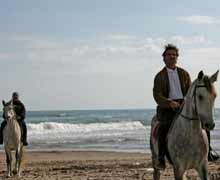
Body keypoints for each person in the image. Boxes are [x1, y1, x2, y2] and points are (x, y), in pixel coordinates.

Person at [153, 44, 218, 170]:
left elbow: (190, 91)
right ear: (164, 58)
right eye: (169, 55)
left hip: (184, 105)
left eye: (174, 55)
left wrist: (186, 102)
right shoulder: (159, 76)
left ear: (177, 57)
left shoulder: (184, 74)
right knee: (163, 127)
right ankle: (161, 158)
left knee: (204, 123)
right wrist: (169, 102)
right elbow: (157, 95)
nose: (172, 57)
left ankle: (208, 151)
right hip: (167, 108)